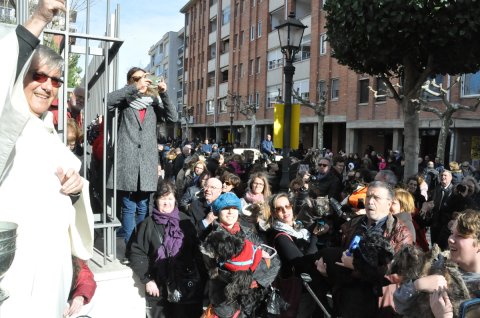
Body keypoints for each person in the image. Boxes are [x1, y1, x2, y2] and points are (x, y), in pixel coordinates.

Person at [0, 1, 94, 316]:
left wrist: (76, 188)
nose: (48, 87)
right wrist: (40, 17)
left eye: (56, 81)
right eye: (40, 76)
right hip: (17, 276)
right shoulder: (6, 125)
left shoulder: (49, 132)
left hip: (53, 277)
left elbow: (69, 202)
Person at [316, 181, 413, 318]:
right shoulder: (353, 223)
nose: (370, 202)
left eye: (376, 198)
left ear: (389, 203)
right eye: (368, 197)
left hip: (375, 302)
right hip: (345, 297)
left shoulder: (401, 234)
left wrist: (358, 266)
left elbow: (397, 275)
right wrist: (328, 270)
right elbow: (340, 254)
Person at [106, 66, 177, 248]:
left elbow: (173, 118)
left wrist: (164, 94)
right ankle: (131, 247)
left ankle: (142, 245)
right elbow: (108, 100)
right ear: (130, 82)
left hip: (146, 162)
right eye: (136, 78)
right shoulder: (125, 101)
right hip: (127, 161)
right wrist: (134, 87)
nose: (141, 81)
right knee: (128, 207)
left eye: (144, 77)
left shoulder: (153, 103)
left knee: (144, 206)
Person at [129, 182, 206, 318]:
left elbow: (197, 251)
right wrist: (147, 280)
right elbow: (137, 253)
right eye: (163, 199)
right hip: (159, 286)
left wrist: (202, 279)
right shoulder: (147, 224)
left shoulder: (185, 221)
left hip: (185, 284)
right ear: (156, 200)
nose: (167, 203)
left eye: (170, 198)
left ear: (175, 200)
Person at [394, 210, 480, 318]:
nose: (450, 239)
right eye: (452, 233)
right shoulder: (436, 266)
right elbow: (399, 304)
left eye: (460, 236)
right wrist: (417, 285)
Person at [268, 192, 323, 318]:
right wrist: (315, 237)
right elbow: (303, 263)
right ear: (274, 213)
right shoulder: (280, 237)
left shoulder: (297, 228)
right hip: (297, 290)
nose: (285, 211)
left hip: (307, 287)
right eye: (279, 209)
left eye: (287, 206)